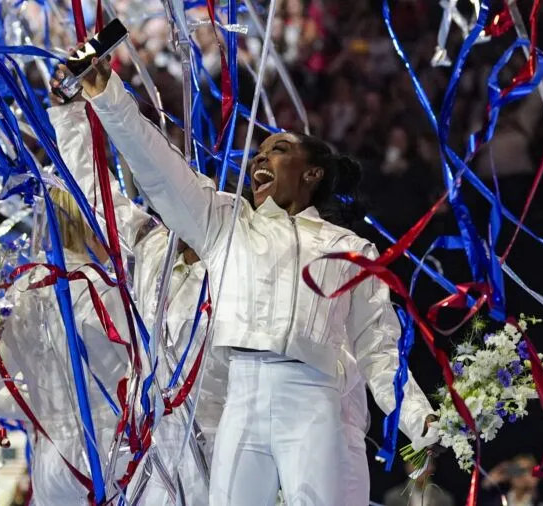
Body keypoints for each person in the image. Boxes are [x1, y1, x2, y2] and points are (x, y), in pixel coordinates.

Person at [70, 55, 439, 506]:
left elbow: (378, 347)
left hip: (311, 397)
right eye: (259, 154)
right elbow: (157, 168)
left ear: (312, 173)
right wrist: (109, 94)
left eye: (278, 150)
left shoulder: (350, 249)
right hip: (241, 395)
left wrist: (418, 417)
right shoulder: (226, 225)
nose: (261, 159)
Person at [47, 91, 222, 505]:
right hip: (155, 447)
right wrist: (72, 113)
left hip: (220, 445)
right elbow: (93, 188)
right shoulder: (149, 245)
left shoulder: (233, 264)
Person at [0, 186, 130, 505]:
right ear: (90, 222)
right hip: (106, 451)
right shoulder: (100, 285)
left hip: (51, 460)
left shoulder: (18, 293)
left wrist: (39, 407)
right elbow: (140, 369)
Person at [479, 455, 543, 506]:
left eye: (526, 470)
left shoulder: (541, 502)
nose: (520, 475)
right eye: (516, 470)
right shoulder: (497, 500)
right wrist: (489, 480)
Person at [383, 460, 454, 506]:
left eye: (425, 464)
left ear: (432, 467)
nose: (420, 469)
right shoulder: (393, 498)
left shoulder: (444, 499)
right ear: (406, 467)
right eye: (415, 464)